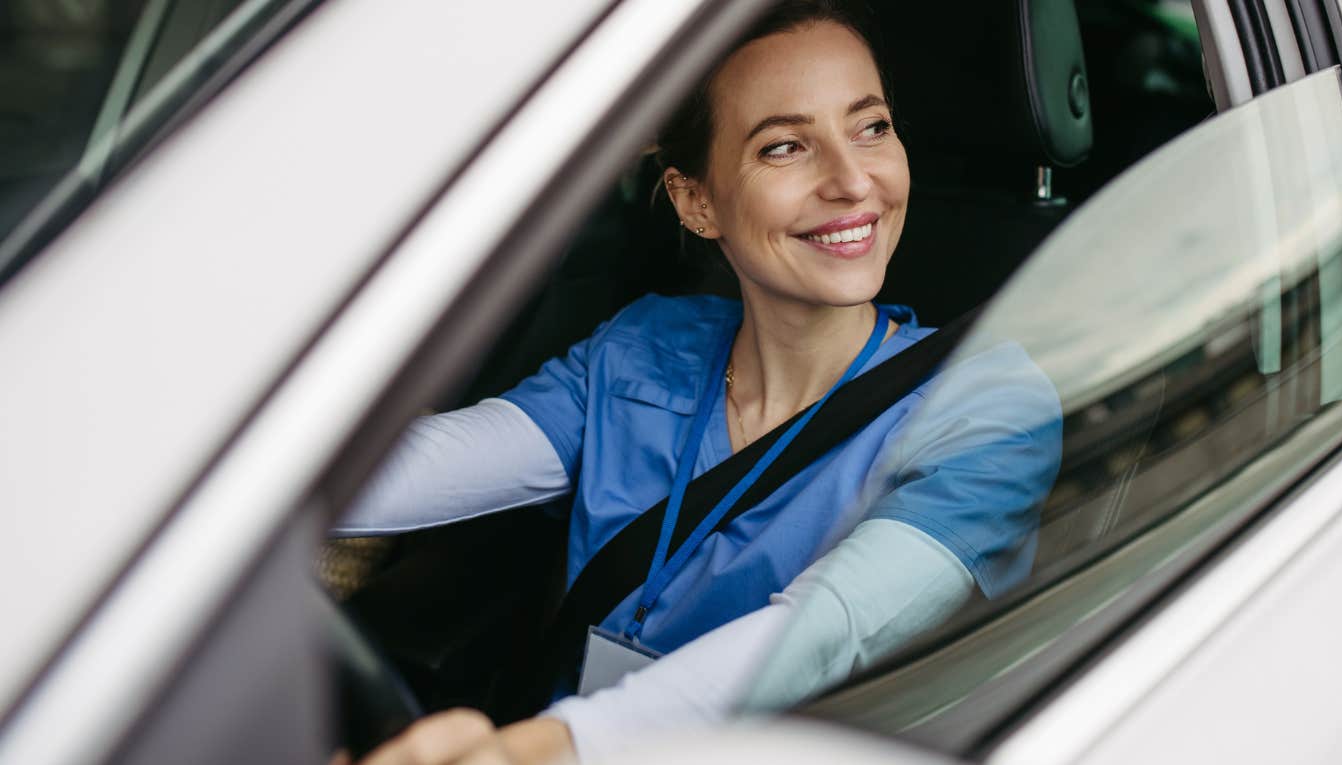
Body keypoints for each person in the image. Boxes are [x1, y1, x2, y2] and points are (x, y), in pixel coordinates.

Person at [334, 2, 1062, 763]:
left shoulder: (989, 406)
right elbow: (414, 470)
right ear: (696, 200)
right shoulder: (644, 347)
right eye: (785, 146)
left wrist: (547, 746)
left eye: (872, 126)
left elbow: (820, 634)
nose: (853, 181)